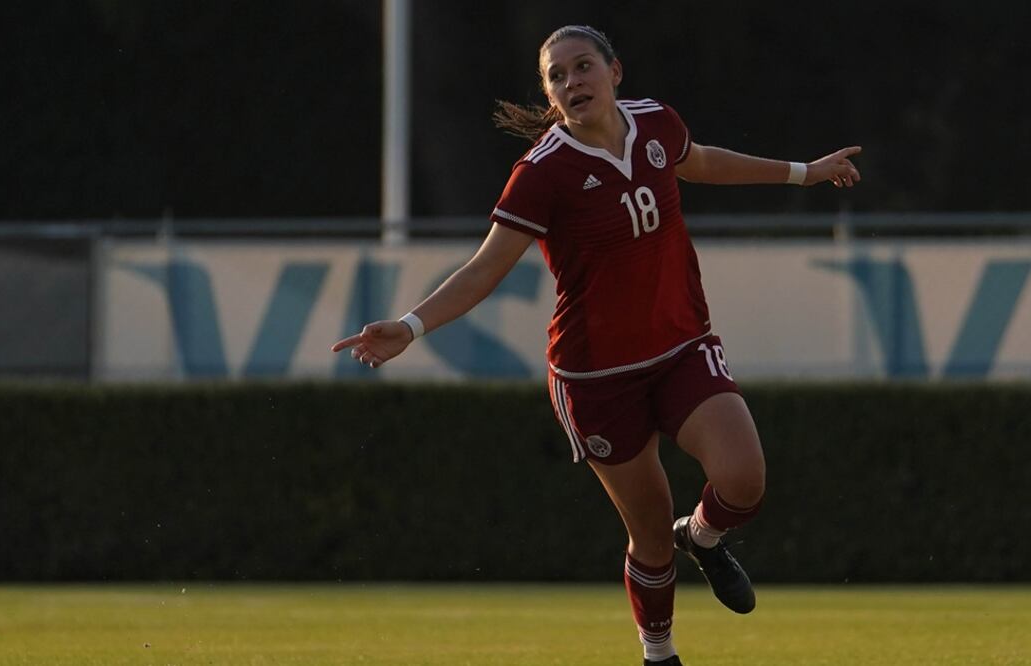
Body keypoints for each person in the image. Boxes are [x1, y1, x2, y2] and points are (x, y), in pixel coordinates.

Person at [332, 24, 861, 666]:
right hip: (595, 378)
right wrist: (410, 327)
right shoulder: (541, 173)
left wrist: (803, 173)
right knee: (648, 533)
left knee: (744, 479)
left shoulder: (657, 124)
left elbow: (701, 161)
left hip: (681, 345)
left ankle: (705, 537)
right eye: (557, 77)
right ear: (550, 97)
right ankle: (659, 653)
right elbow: (484, 267)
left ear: (615, 72)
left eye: (582, 67)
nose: (571, 82)